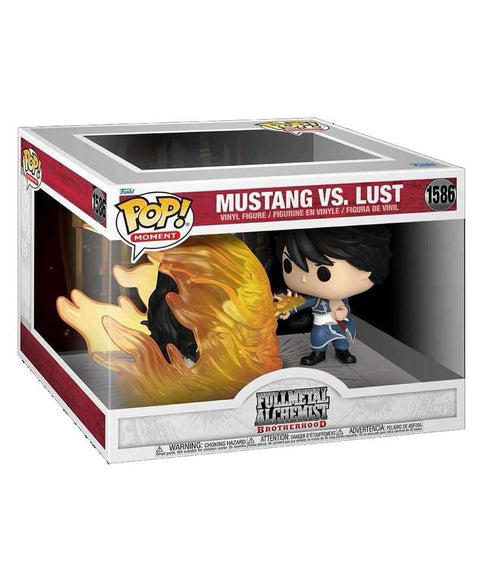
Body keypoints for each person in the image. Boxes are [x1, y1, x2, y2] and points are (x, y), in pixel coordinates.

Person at [275, 226, 391, 366]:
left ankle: (342, 351)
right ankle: (318, 353)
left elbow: (345, 306)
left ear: (365, 272)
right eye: (288, 265)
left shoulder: (341, 297)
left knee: (341, 340)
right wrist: (289, 310)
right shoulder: (317, 299)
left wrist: (344, 311)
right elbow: (302, 302)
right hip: (321, 325)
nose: (304, 279)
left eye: (323, 273)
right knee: (318, 338)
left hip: (338, 323)